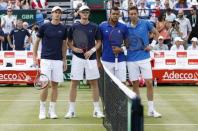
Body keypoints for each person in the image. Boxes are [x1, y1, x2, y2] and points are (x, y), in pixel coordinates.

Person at [65, 5, 104, 119]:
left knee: (94, 84)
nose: (85, 13)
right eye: (83, 12)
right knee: (74, 83)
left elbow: (99, 42)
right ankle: (71, 111)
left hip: (91, 59)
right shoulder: (74, 27)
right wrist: (73, 49)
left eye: (87, 11)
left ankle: (96, 110)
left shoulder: (95, 26)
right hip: (77, 58)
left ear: (89, 13)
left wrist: (91, 51)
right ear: (79, 13)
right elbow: (69, 42)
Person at [33, 6, 68, 120]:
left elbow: (64, 45)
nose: (57, 14)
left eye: (59, 12)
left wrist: (64, 59)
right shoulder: (44, 27)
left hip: (58, 60)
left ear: (61, 14)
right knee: (44, 85)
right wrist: (34, 57)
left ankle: (52, 111)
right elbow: (36, 42)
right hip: (46, 60)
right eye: (55, 12)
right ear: (52, 14)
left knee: (55, 86)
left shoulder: (63, 28)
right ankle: (42, 110)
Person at [126, 6, 161, 118]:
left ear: (137, 14)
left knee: (149, 83)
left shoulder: (145, 23)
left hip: (144, 58)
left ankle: (151, 110)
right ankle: (136, 110)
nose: (133, 15)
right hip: (131, 59)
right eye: (131, 14)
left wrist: (152, 45)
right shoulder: (126, 27)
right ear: (128, 15)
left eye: (134, 13)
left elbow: (156, 33)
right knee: (135, 84)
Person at [99, 7, 128, 83]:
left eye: (117, 14)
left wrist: (121, 49)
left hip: (121, 60)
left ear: (119, 15)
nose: (115, 15)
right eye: (113, 14)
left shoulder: (124, 27)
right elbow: (99, 44)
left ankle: (120, 96)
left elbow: (128, 44)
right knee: (107, 85)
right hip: (106, 60)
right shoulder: (102, 26)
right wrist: (98, 60)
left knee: (122, 84)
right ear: (110, 14)